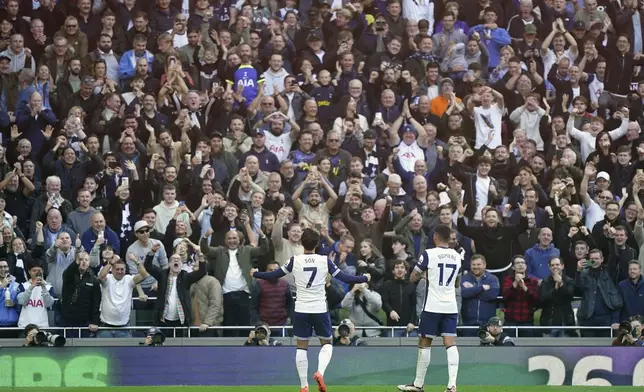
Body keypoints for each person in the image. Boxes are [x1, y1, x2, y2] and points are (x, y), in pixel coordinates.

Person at [251, 228, 370, 392]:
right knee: (327, 344)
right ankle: (320, 373)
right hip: (319, 308)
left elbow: (274, 275)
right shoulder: (324, 260)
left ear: (301, 243)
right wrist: (364, 278)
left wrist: (257, 274)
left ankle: (304, 386)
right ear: (317, 244)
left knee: (301, 347)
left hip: (301, 308)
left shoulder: (295, 260)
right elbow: (344, 277)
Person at [398, 225, 461, 392]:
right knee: (450, 343)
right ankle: (452, 385)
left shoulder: (429, 254)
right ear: (449, 238)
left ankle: (418, 384)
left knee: (425, 342)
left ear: (435, 237)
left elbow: (413, 277)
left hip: (432, 305)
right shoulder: (457, 256)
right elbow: (456, 283)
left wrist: (424, 275)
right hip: (450, 305)